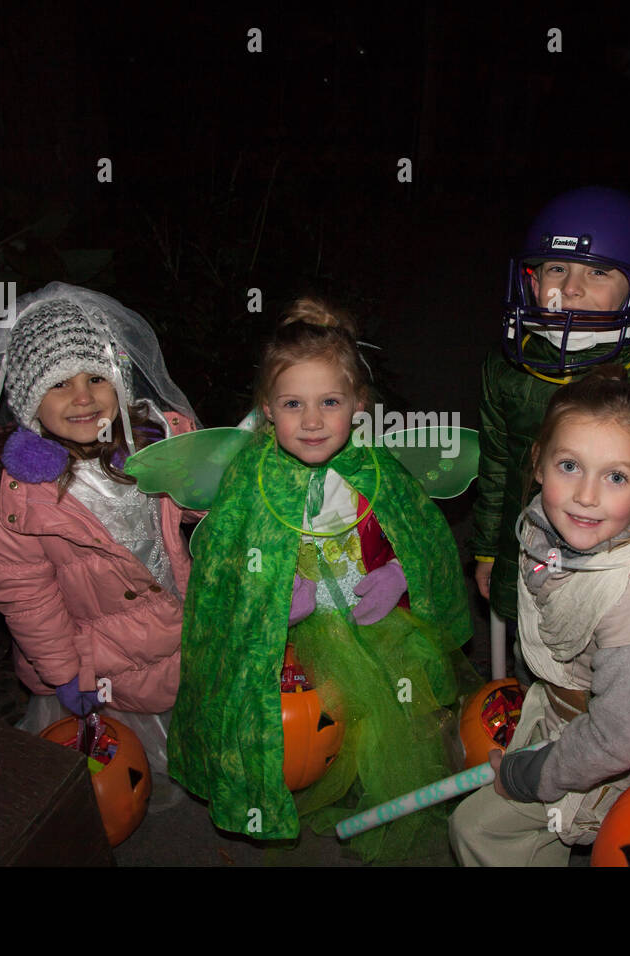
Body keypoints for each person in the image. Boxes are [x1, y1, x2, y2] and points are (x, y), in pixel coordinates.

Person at [167, 298, 471, 862]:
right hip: (294, 636)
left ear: (358, 405)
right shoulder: (250, 481)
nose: (311, 421)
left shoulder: (375, 466)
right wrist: (270, 597)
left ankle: (368, 787)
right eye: (293, 404)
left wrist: (398, 576)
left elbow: (421, 538)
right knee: (310, 721)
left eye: (329, 402)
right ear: (266, 410)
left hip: (371, 617)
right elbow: (223, 565)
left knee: (387, 715)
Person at [0, 282, 201, 777]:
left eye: (97, 377)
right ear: (29, 400)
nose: (83, 397)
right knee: (132, 769)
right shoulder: (18, 507)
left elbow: (201, 507)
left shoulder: (154, 445)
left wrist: (218, 481)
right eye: (59, 384)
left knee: (201, 732)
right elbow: (28, 599)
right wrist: (64, 673)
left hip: (183, 624)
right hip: (104, 664)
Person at [451, 368, 630, 865]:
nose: (587, 495)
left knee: (475, 829)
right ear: (539, 463)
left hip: (605, 757)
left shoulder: (623, 593)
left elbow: (620, 736)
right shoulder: (543, 530)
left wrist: (528, 776)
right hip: (555, 716)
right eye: (570, 466)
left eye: (616, 476)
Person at [470, 186, 630, 673]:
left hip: (623, 576)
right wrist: (487, 552)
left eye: (598, 271)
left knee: (618, 682)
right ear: (532, 278)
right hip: (532, 558)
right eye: (557, 268)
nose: (569, 288)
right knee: (535, 668)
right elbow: (499, 465)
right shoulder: (507, 366)